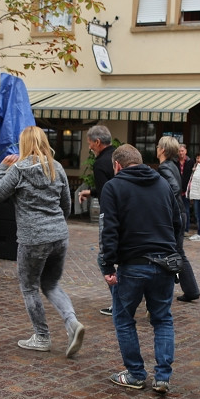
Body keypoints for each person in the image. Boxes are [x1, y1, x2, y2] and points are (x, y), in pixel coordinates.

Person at [0, 126, 84, 358]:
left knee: (30, 286)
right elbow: (67, 207)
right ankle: (72, 322)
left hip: (33, 238)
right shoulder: (57, 167)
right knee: (51, 284)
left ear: (24, 144)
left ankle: (42, 337)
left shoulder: (19, 170)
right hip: (59, 235)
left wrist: (2, 167)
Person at [99, 144, 182, 394]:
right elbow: (177, 222)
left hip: (133, 263)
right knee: (162, 319)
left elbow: (109, 230)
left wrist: (107, 264)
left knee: (124, 319)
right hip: (165, 262)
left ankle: (135, 373)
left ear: (117, 165)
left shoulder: (113, 187)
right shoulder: (162, 184)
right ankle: (163, 376)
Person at [155, 136, 200, 303]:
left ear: (163, 150)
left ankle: (183, 288)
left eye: (159, 146)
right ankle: (190, 289)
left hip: (175, 214)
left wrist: (164, 206)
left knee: (172, 252)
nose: (156, 148)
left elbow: (174, 188)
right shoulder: (171, 165)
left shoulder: (165, 167)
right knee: (177, 252)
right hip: (180, 212)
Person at [78, 125, 116, 316]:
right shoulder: (118, 156)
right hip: (126, 211)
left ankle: (119, 301)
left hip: (110, 214)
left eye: (90, 143)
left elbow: (106, 192)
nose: (90, 147)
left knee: (105, 258)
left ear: (98, 142)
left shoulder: (100, 162)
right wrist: (90, 191)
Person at [178, 144, 195, 232]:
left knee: (186, 210)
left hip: (186, 190)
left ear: (186, 151)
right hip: (177, 190)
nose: (181, 153)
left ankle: (186, 228)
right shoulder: (175, 161)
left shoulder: (190, 161)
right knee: (177, 210)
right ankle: (179, 228)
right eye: (179, 151)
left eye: (182, 151)